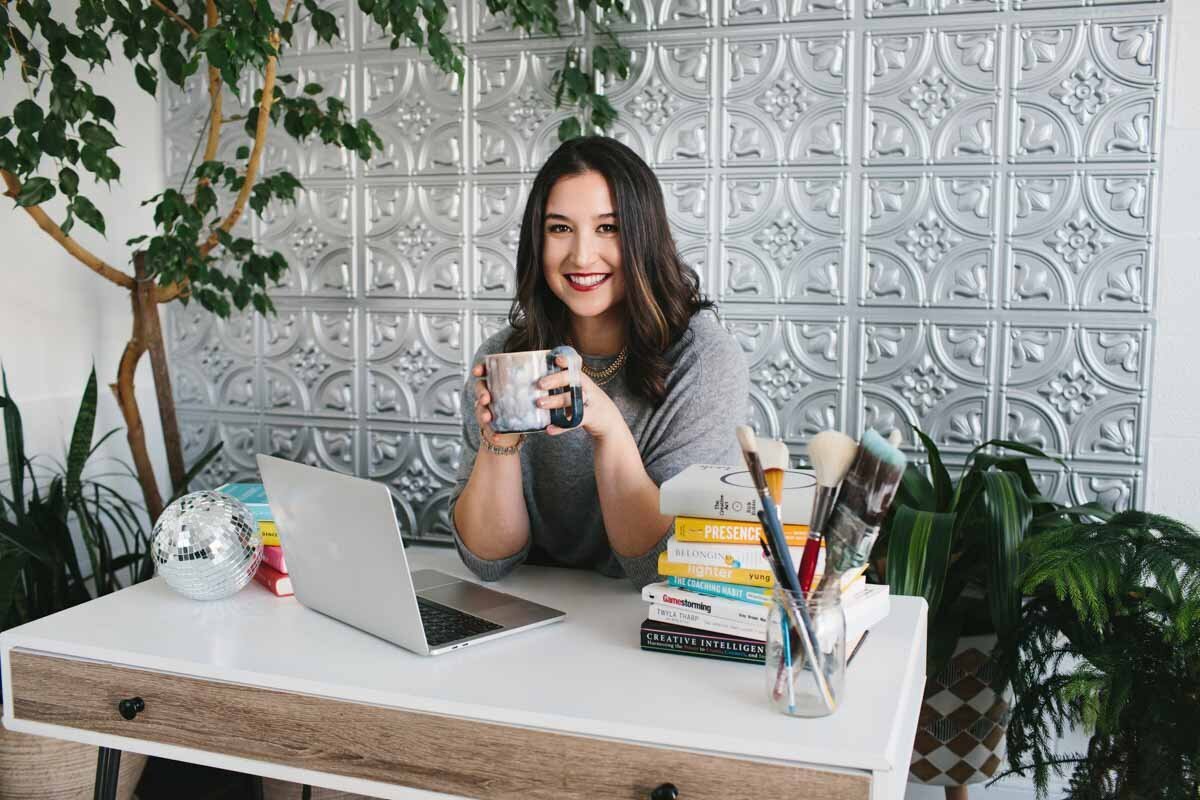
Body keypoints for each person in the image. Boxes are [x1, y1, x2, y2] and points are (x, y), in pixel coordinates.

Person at [449, 136, 750, 590]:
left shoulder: (703, 362)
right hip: (534, 620)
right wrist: (499, 445)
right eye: (559, 229)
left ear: (643, 236)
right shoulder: (508, 358)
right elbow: (489, 562)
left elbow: (665, 566)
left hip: (652, 625)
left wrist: (608, 430)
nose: (582, 256)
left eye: (608, 228)